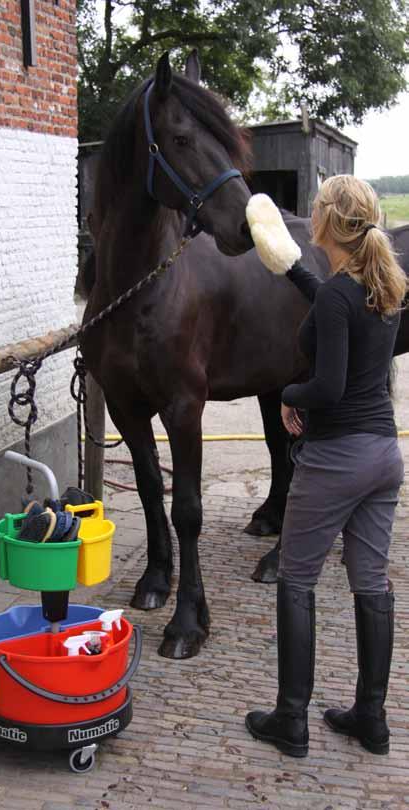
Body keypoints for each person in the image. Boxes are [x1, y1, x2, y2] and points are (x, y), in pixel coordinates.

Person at [244, 177, 407, 758]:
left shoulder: (342, 294)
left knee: (296, 579)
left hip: (337, 457)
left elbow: (329, 387)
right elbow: (334, 306)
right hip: (384, 457)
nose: (307, 213)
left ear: (329, 221)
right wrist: (291, 268)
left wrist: (288, 392)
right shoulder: (380, 284)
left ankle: (291, 719)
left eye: (314, 206)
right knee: (370, 582)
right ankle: (372, 718)